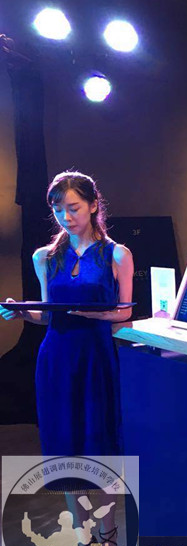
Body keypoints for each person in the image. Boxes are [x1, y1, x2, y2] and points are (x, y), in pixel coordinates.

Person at [0, 171, 134, 455]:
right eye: (58, 210)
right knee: (61, 433)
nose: (66, 217)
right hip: (56, 353)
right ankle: (69, 486)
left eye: (73, 208)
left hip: (95, 353)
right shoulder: (44, 257)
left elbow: (124, 311)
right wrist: (23, 313)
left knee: (99, 431)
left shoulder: (117, 254)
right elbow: (49, 314)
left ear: (93, 205)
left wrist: (97, 316)